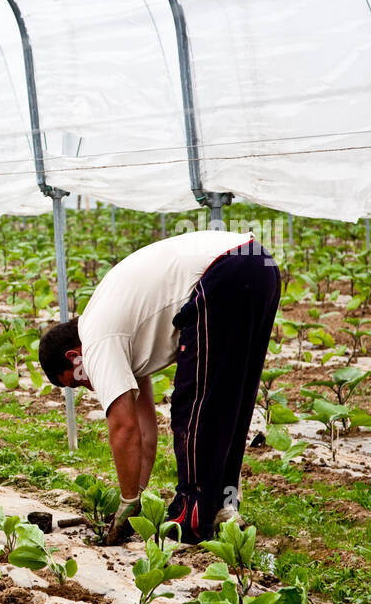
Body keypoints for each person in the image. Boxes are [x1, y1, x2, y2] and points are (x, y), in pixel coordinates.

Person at [38, 229, 280, 545]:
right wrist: (136, 497)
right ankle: (223, 506)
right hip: (257, 263)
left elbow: (123, 429)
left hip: (224, 272)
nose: (88, 386)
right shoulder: (114, 329)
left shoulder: (96, 340)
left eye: (78, 381)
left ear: (74, 356)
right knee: (229, 401)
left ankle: (189, 518)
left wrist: (126, 503)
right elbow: (144, 430)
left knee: (191, 407)